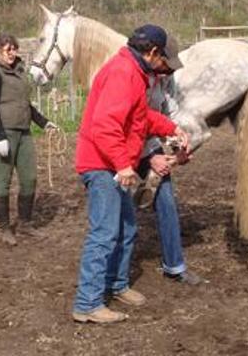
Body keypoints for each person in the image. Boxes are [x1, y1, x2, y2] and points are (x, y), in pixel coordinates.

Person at [71, 24, 189, 324]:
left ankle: (116, 284)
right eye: (164, 62)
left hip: (111, 161)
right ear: (152, 53)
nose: (165, 70)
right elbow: (105, 125)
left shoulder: (136, 75)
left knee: (126, 228)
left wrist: (171, 127)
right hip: (101, 165)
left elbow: (141, 116)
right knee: (104, 233)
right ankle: (87, 303)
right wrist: (124, 165)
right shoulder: (123, 74)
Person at [0, 33, 58, 246]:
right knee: (3, 181)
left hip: (24, 132)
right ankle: (5, 227)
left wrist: (44, 122)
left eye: (14, 49)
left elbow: (26, 104)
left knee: (29, 179)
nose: (12, 53)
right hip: (4, 133)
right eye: (8, 50)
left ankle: (25, 223)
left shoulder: (19, 72)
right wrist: (0, 137)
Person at [138, 70, 207, 286]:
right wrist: (150, 158)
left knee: (167, 205)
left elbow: (169, 115)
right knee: (123, 216)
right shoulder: (136, 80)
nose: (171, 72)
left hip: (151, 148)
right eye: (168, 66)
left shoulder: (165, 81)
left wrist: (178, 144)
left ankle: (175, 266)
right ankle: (114, 275)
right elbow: (133, 122)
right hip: (128, 152)